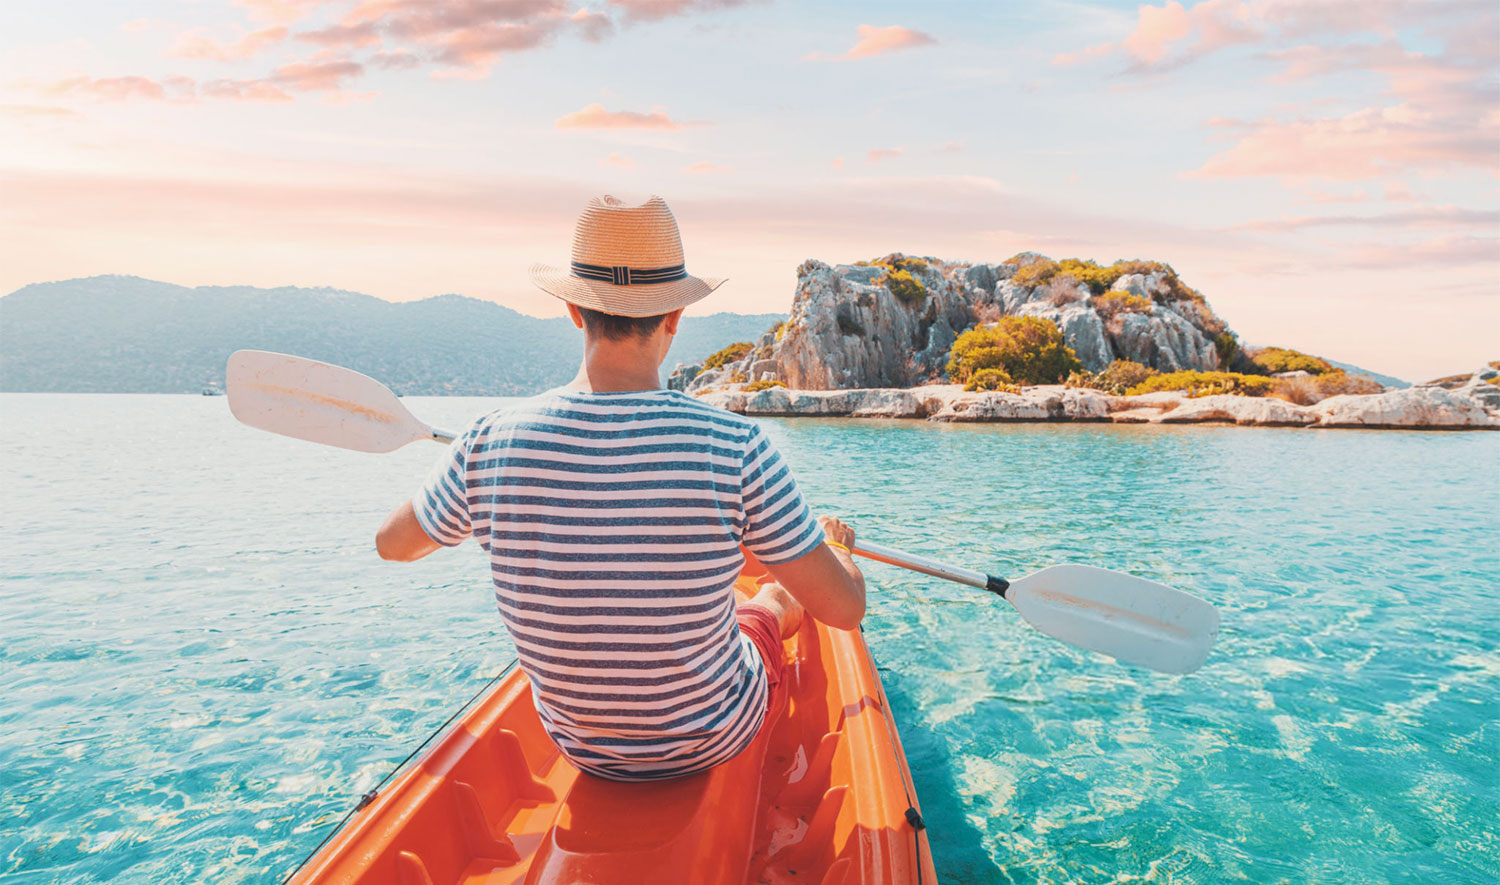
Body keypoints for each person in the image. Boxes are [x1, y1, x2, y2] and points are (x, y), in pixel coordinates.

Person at [373, 195, 866, 781]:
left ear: (574, 310)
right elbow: (844, 609)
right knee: (769, 600)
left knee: (725, 597)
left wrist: (471, 472)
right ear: (675, 315)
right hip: (716, 735)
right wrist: (836, 552)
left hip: (580, 748)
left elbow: (392, 544)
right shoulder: (736, 447)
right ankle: (768, 603)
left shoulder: (488, 440)